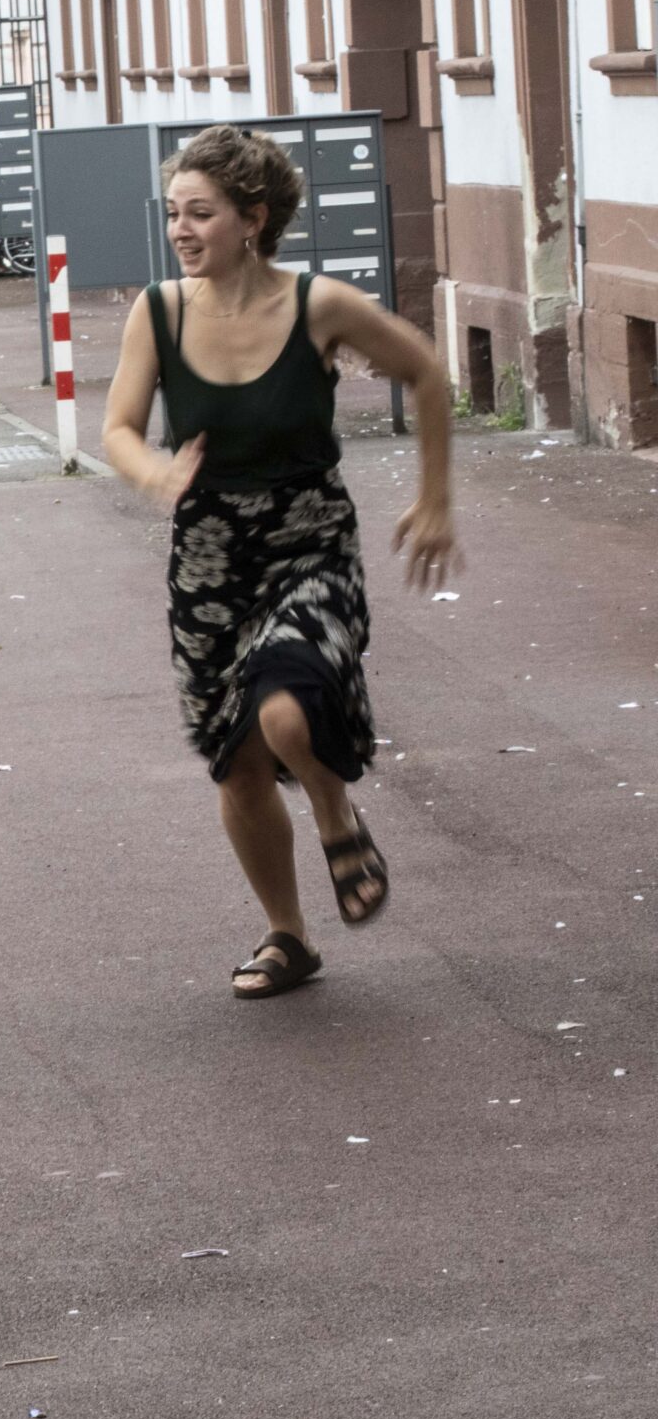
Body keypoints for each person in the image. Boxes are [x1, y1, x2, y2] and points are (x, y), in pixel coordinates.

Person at [103, 125, 458, 999]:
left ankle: (336, 813)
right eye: (174, 213)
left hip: (309, 547)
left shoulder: (319, 306)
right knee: (239, 760)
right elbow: (116, 427)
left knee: (287, 710)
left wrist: (437, 496)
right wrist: (151, 469)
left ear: (252, 218)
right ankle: (288, 936)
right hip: (210, 565)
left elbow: (428, 371)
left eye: (202, 213)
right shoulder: (157, 313)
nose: (181, 231)